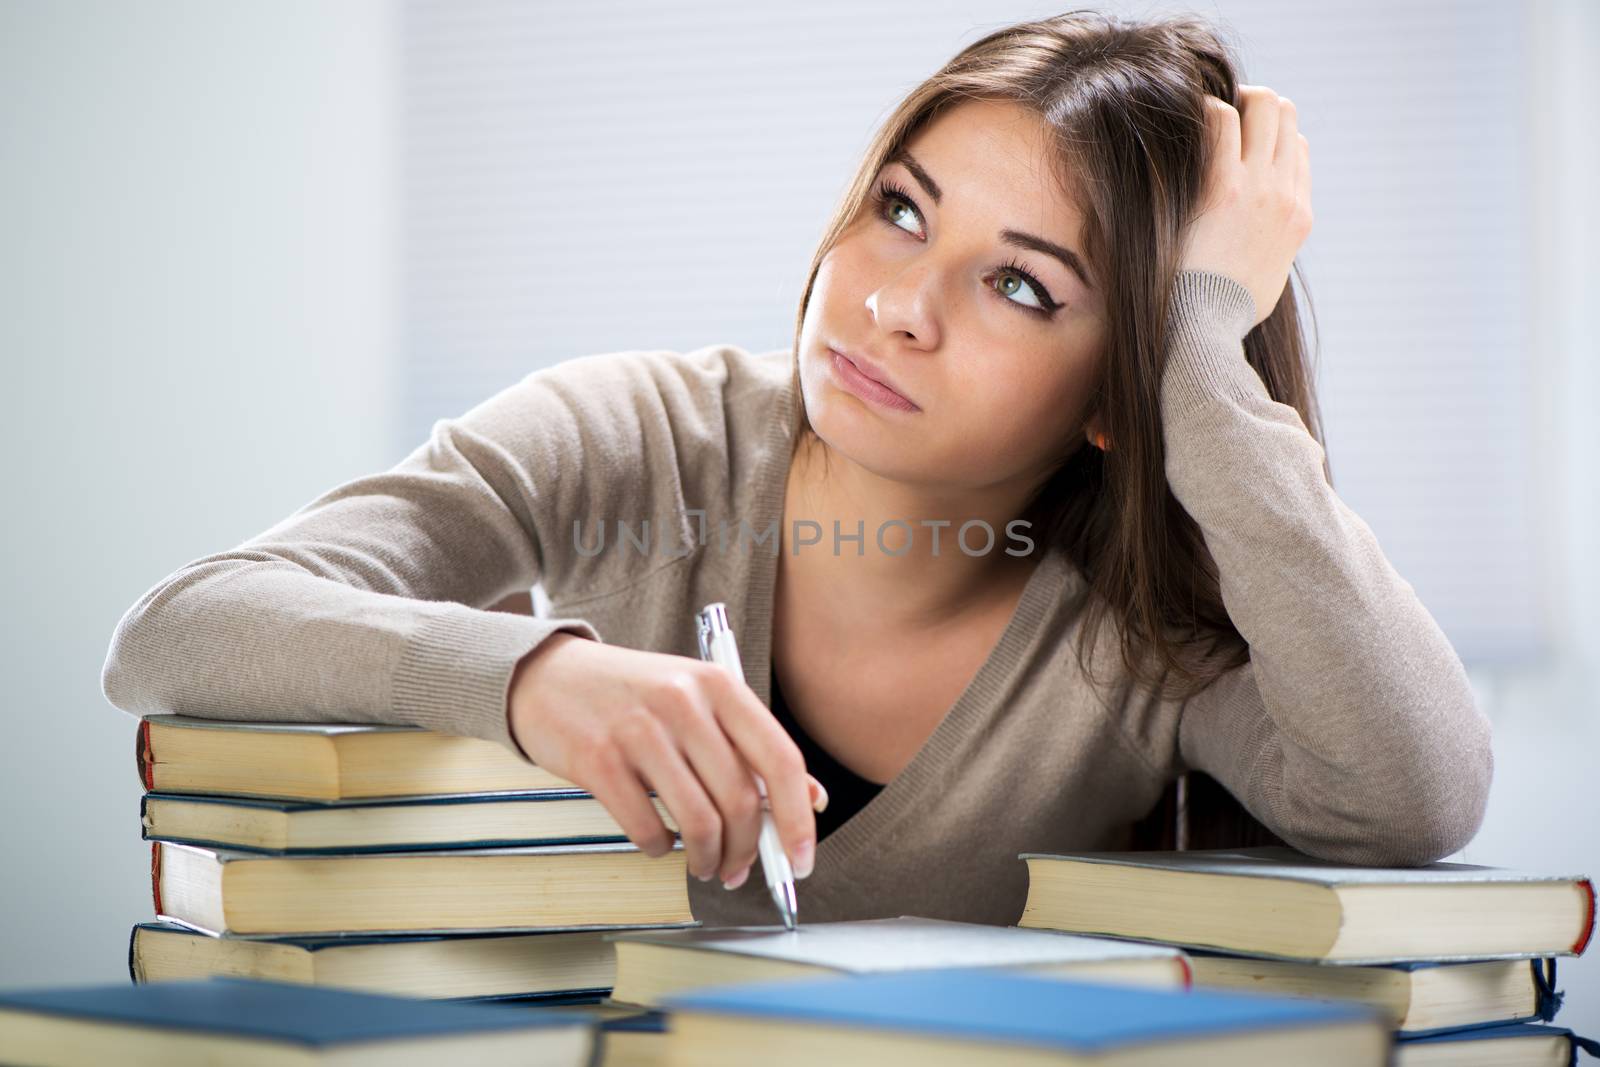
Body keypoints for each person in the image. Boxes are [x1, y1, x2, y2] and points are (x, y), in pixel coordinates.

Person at [101, 11, 1493, 928]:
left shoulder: (1133, 644)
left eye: (1019, 288)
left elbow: (1411, 793)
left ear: (1114, 403)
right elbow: (178, 630)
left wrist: (1200, 348)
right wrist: (539, 677)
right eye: (900, 211)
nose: (899, 303)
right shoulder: (636, 438)